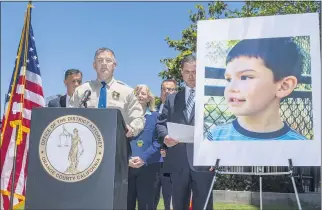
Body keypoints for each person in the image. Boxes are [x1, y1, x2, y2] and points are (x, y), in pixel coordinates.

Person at [207, 37, 307, 141]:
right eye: (228, 79)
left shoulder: (301, 146)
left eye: (245, 77)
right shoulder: (215, 137)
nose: (230, 88)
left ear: (283, 86)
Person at [156, 55, 214, 210]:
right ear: (181, 73)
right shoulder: (172, 99)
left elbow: (218, 126)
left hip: (203, 161)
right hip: (178, 161)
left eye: (194, 71)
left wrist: (214, 156)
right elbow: (160, 125)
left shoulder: (210, 97)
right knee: (179, 205)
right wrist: (165, 136)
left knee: (204, 205)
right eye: (187, 72)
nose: (191, 76)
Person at [69, 47, 145, 138]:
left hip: (117, 144)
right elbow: (70, 116)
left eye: (108, 60)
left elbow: (138, 118)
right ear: (94, 65)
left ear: (114, 65)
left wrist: (132, 128)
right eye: (100, 60)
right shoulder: (81, 91)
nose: (104, 63)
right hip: (87, 143)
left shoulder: (127, 92)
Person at [127, 84, 161, 210]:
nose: (139, 96)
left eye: (143, 93)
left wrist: (143, 157)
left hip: (149, 167)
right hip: (128, 168)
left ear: (149, 98)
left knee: (147, 206)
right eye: (136, 93)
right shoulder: (125, 117)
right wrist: (127, 159)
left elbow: (158, 141)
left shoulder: (156, 117)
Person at [154, 79, 176, 210]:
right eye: (164, 89)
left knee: (171, 202)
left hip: (171, 164)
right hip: (152, 164)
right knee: (150, 201)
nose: (167, 92)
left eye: (171, 89)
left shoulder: (180, 114)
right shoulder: (151, 111)